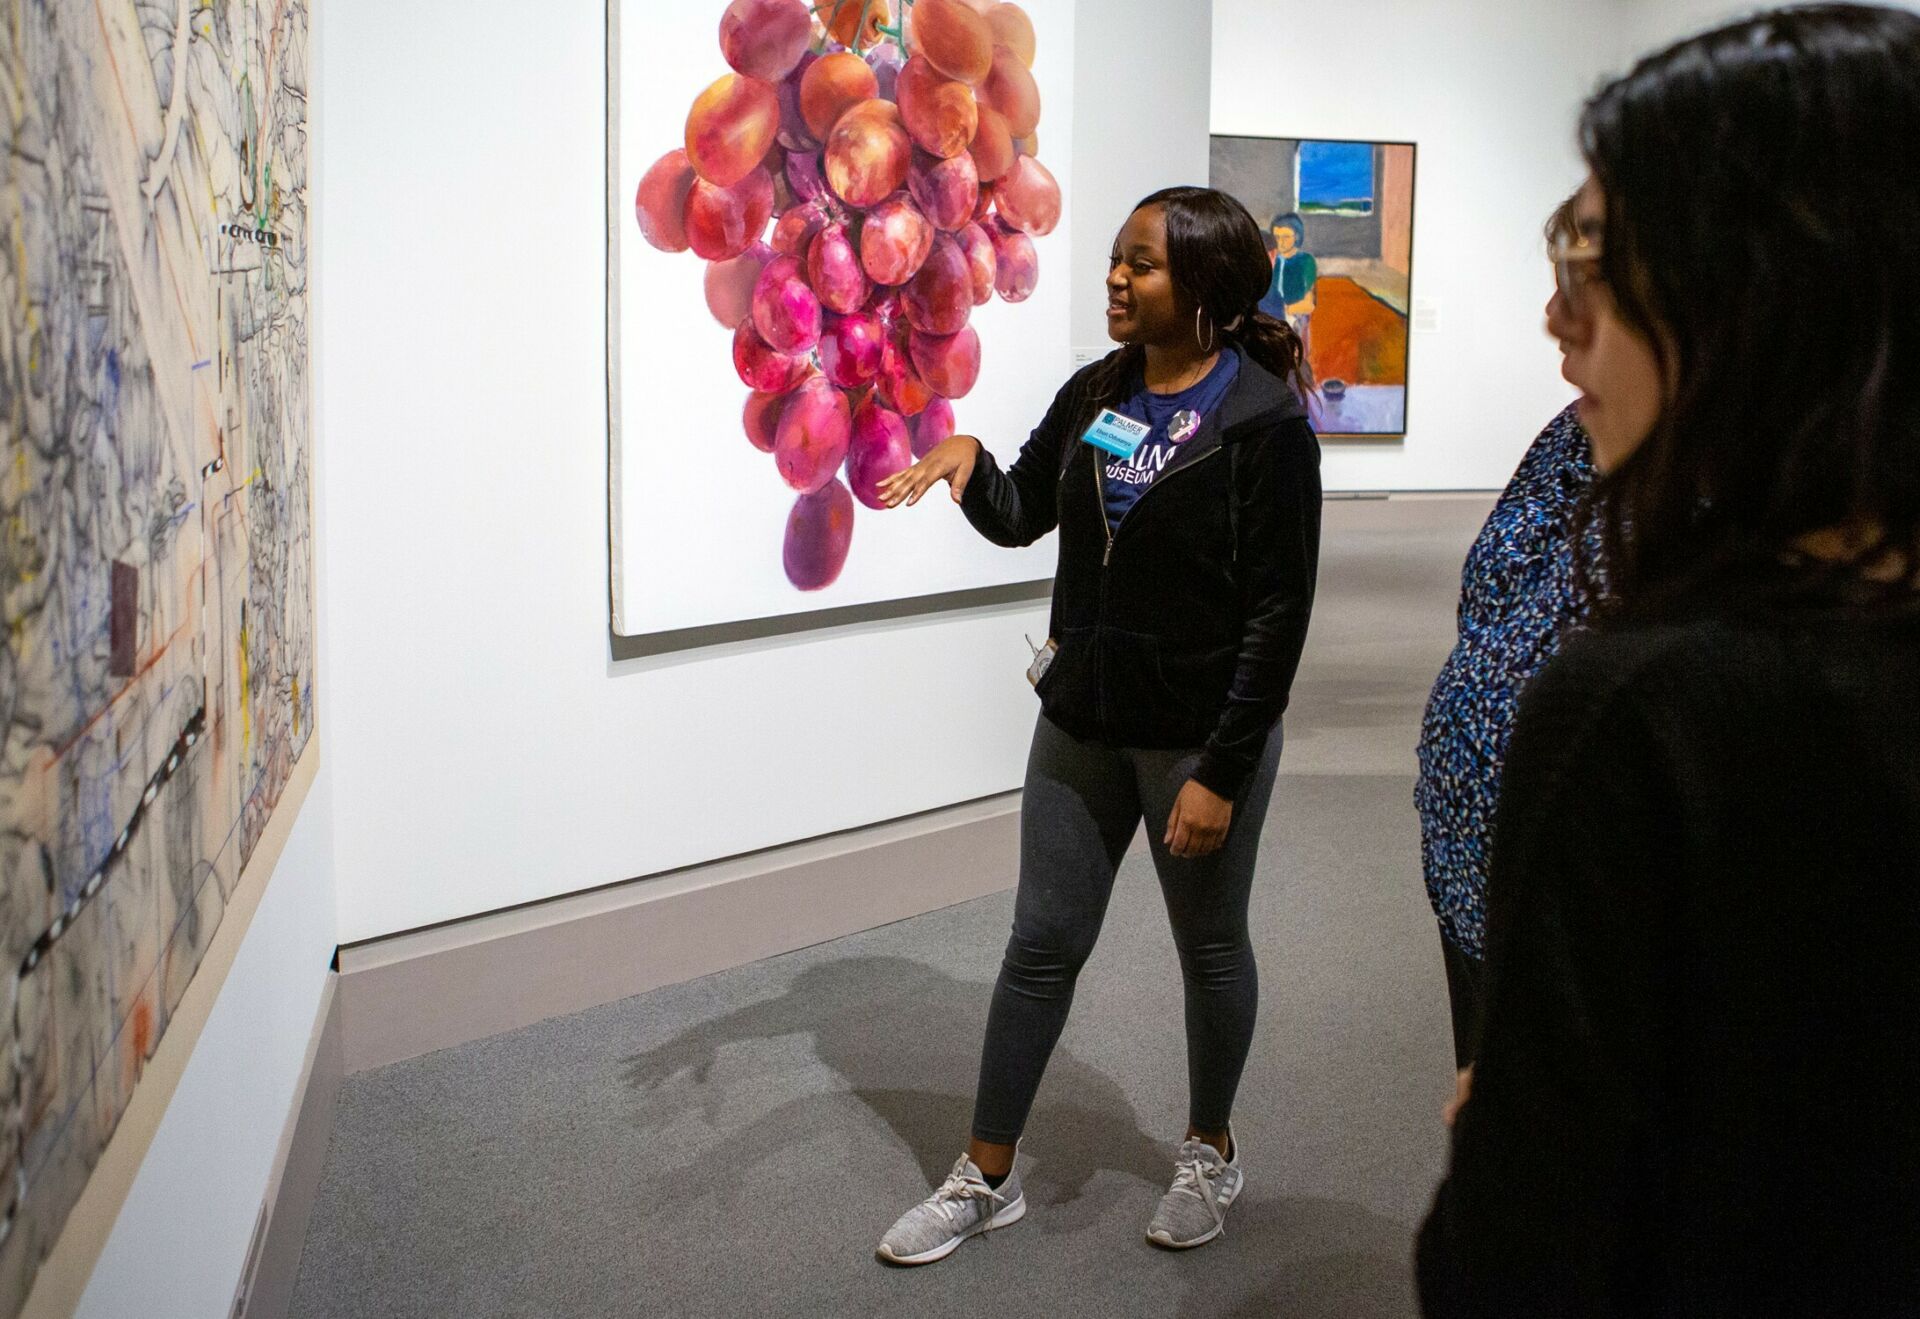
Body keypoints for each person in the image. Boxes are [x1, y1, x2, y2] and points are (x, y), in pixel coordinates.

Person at [1418, 6, 1920, 1314]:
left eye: (1597, 261)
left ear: (1747, 290)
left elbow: (1509, 1268)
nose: (1553, 315)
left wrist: (1496, 1128)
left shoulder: (1651, 710)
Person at [872, 187, 1321, 1264]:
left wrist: (1223, 765)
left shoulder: (1260, 422)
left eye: (1143, 265)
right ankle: (986, 1173)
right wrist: (972, 463)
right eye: (1117, 260)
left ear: (1206, 285)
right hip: (1084, 718)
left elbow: (1278, 617)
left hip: (1198, 736)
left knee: (1208, 947)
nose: (1117, 278)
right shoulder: (1096, 390)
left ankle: (1211, 1145)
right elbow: (1028, 509)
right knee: (1040, 943)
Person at [1414, 194, 1599, 1076]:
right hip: (1478, 880)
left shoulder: (1762, 514)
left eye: (1583, 281)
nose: (1551, 315)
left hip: (1580, 937)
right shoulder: (1578, 435)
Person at [1258, 212, 1317, 346]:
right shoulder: (1271, 259)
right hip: (1267, 315)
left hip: (1294, 316)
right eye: (1277, 237)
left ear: (1296, 236)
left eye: (1285, 237)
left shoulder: (1305, 261)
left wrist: (1286, 311)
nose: (1280, 242)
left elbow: (1309, 304)